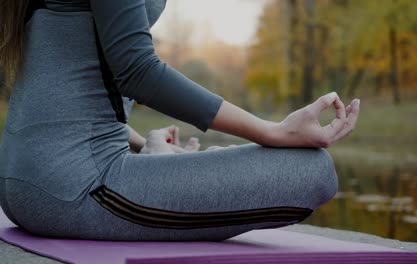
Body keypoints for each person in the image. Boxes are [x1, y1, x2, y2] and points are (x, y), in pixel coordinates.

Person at [0, 0, 360, 241]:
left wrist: (138, 141)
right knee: (313, 172)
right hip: (71, 187)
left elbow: (68, 83)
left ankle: (154, 153)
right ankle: (159, 158)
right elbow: (137, 71)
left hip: (25, 180)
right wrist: (273, 131)